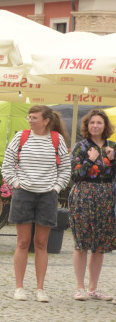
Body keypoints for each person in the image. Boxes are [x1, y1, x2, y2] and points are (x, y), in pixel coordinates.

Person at [1, 105, 71, 303]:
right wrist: (16, 183)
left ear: (46, 120)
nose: (30, 120)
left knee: (41, 243)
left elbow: (65, 169)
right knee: (22, 242)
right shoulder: (20, 137)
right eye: (29, 117)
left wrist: (56, 188)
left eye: (34, 117)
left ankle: (40, 288)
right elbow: (7, 164)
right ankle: (19, 287)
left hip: (47, 196)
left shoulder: (57, 140)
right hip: (23, 194)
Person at [67, 109, 116, 301]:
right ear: (87, 126)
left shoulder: (112, 147)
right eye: (92, 122)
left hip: (106, 197)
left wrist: (114, 159)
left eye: (99, 122)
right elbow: (75, 176)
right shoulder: (81, 147)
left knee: (100, 245)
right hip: (83, 196)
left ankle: (93, 288)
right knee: (82, 242)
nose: (95, 125)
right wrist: (90, 160)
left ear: (105, 126)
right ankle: (80, 287)